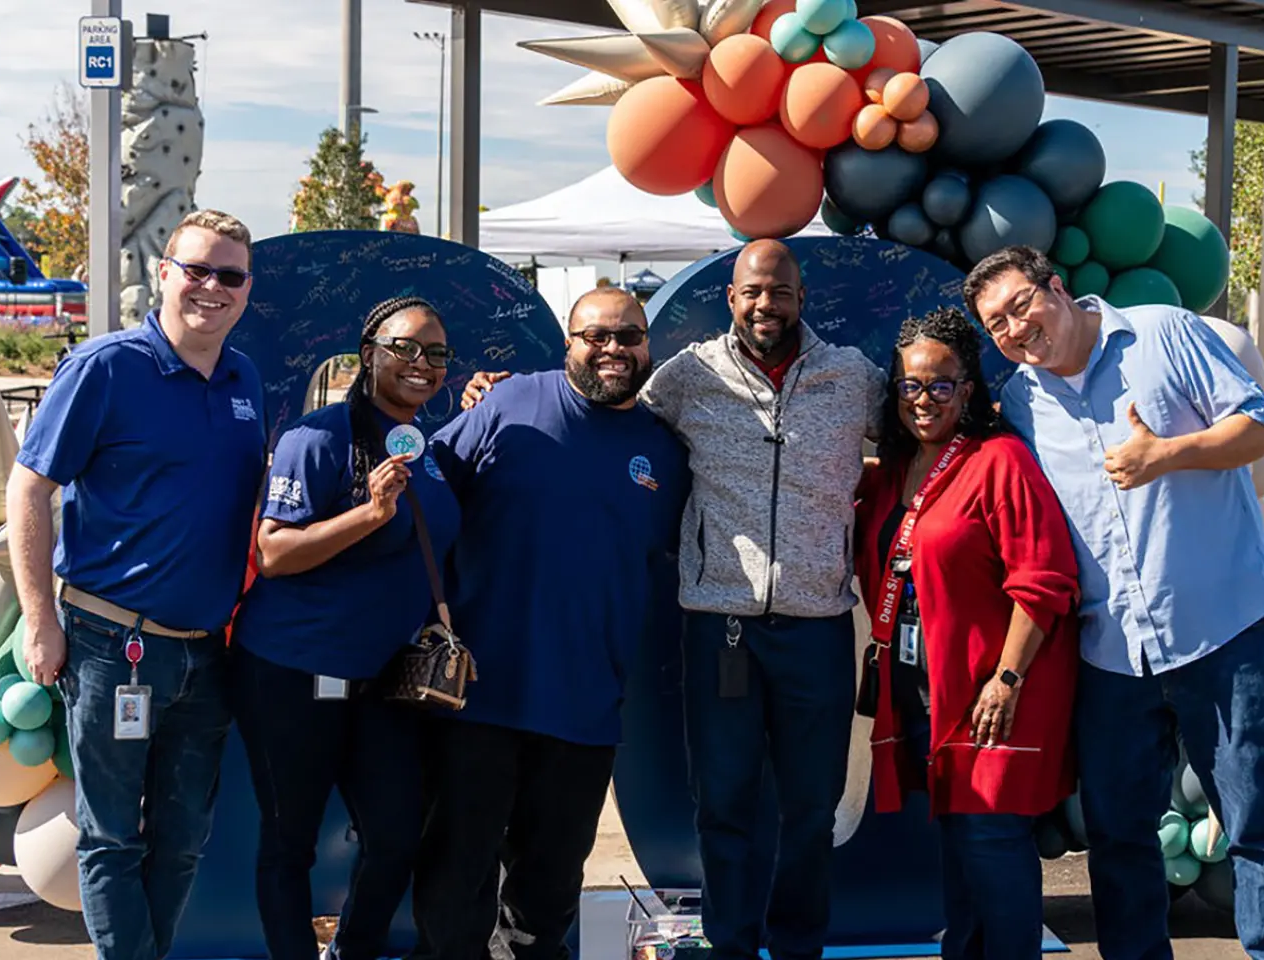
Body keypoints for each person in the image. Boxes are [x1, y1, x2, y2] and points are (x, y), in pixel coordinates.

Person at [461, 240, 884, 960]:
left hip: (817, 625)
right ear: (731, 298)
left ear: (801, 297)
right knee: (722, 807)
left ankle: (798, 946)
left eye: (779, 292)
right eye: (752, 291)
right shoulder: (686, 377)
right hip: (720, 626)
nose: (764, 305)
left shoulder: (853, 378)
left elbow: (922, 426)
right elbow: (600, 401)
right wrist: (495, 391)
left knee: (811, 810)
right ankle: (732, 945)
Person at [963, 246, 1264, 960]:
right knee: (1120, 840)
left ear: (1055, 287)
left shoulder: (1163, 333)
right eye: (997, 324)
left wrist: (1167, 455)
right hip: (1113, 653)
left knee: (1258, 828)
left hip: (1224, 633)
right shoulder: (1022, 400)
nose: (1015, 329)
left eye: (1020, 305)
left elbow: (1262, 427)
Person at [8, 210, 267, 960]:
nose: (211, 288)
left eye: (230, 275)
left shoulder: (244, 378)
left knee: (184, 841)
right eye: (197, 269)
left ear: (247, 290)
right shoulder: (105, 368)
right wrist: (39, 621)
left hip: (205, 654)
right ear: (164, 272)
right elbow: (29, 492)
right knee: (112, 837)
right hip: (108, 644)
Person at [413, 286, 689, 960]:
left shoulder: (665, 453)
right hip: (479, 697)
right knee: (456, 882)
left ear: (648, 347)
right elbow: (422, 500)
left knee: (548, 895)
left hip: (585, 706)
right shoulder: (507, 403)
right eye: (595, 336)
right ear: (568, 344)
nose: (613, 349)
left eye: (628, 336)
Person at [229, 296, 461, 960]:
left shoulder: (431, 450)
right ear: (368, 355)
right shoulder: (318, 440)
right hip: (292, 674)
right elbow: (273, 553)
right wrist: (368, 513)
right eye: (405, 348)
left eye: (436, 353)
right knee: (289, 842)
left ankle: (353, 952)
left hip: (383, 678)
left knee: (396, 836)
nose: (422, 364)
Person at [851, 308, 1082, 960]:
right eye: (910, 386)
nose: (923, 400)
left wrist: (1006, 679)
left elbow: (1044, 580)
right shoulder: (894, 472)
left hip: (992, 695)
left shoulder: (1000, 461)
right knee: (960, 854)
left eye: (940, 385)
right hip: (926, 692)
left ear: (970, 389)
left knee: (991, 847)